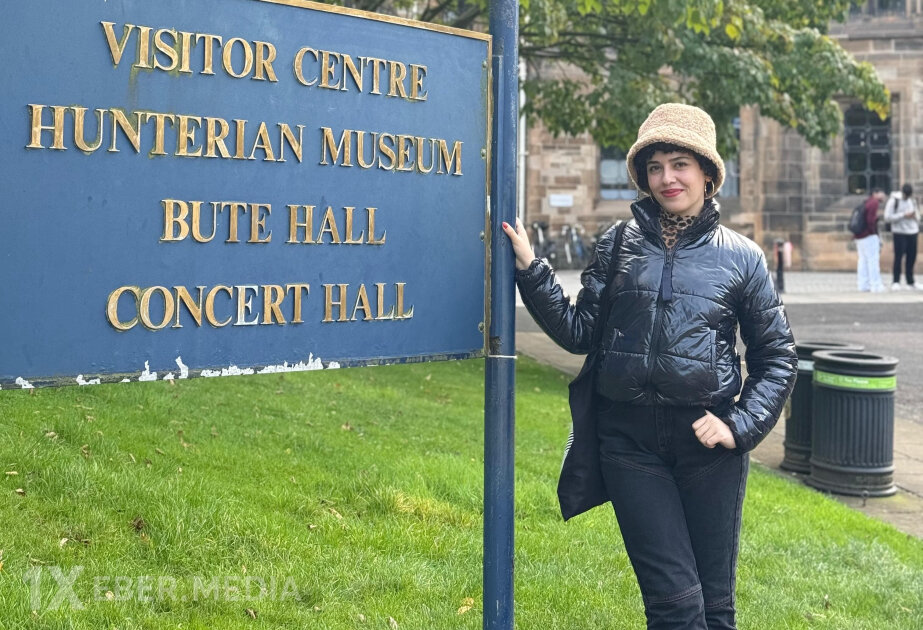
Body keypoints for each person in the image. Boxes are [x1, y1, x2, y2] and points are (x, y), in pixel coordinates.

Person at [502, 103, 797, 630]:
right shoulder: (618, 244)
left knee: (715, 608)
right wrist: (531, 269)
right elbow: (579, 332)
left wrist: (738, 425)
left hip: (708, 449)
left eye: (680, 164)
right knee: (675, 606)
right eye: (655, 167)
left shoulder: (743, 257)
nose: (667, 178)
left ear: (707, 174)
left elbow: (776, 356)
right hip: (629, 445)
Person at [884, 184, 920, 290]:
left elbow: (918, 215)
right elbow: (887, 217)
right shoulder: (894, 201)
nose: (907, 197)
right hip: (899, 232)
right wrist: (903, 215)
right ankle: (896, 281)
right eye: (905, 195)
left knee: (911, 257)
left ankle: (910, 281)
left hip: (912, 231)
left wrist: (915, 216)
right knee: (898, 257)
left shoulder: (912, 201)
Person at [855, 188, 887, 292]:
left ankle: (863, 285)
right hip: (869, 235)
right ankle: (875, 285)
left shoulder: (866, 202)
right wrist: (874, 232)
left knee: (863, 260)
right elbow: (870, 220)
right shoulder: (874, 202)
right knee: (873, 260)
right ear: (875, 193)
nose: (884, 196)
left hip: (860, 236)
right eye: (882, 193)